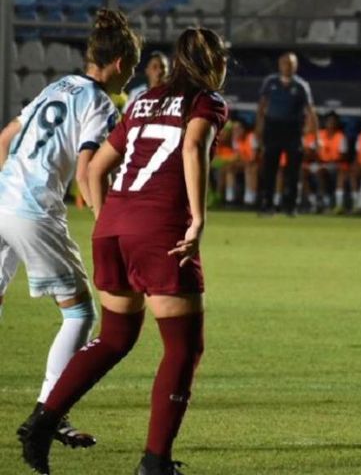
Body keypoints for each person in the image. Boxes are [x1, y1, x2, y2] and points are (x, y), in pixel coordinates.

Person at [19, 27, 229, 475]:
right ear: (212, 62)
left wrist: (108, 219)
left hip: (113, 227)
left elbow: (94, 170)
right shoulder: (205, 101)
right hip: (160, 230)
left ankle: (43, 419)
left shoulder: (142, 100)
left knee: (115, 337)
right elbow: (192, 145)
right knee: (182, 347)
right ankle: (155, 463)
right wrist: (198, 217)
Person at [0, 9, 140, 455]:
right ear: (120, 65)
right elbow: (86, 172)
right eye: (131, 70)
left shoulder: (55, 86)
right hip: (34, 211)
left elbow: (4, 138)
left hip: (1, 198)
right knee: (80, 314)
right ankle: (49, 411)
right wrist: (108, 225)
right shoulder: (99, 103)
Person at [255, 51, 318, 216]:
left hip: (293, 129)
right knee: (270, 169)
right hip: (273, 128)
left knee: (293, 171)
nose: (288, 66)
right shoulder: (270, 82)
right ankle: (267, 205)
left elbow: (310, 110)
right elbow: (261, 107)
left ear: (296, 66)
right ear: (279, 65)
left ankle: (290, 206)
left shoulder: (301, 85)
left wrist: (313, 134)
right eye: (285, 63)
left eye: (291, 63)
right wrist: (259, 130)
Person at [305, 112, 348, 214]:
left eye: (333, 122)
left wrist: (328, 161)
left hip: (335, 164)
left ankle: (336, 204)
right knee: (303, 172)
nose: (331, 124)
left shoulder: (341, 136)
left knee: (325, 170)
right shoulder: (319, 134)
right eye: (329, 122)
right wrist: (313, 156)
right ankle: (314, 202)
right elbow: (310, 152)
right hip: (321, 164)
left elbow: (343, 156)